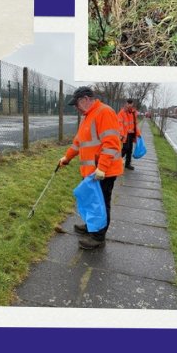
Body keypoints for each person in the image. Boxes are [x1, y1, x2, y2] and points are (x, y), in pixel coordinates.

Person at [58, 86, 123, 250]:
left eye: (77, 104)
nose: (76, 109)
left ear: (85, 100)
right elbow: (78, 143)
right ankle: (90, 226)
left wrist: (101, 168)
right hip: (90, 172)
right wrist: (67, 158)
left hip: (103, 172)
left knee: (100, 204)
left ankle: (98, 237)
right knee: (90, 201)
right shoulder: (88, 117)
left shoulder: (104, 112)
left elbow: (111, 143)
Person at [118, 99, 139, 170]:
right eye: (128, 104)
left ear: (132, 104)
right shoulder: (122, 113)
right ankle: (115, 161)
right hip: (125, 134)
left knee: (129, 149)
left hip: (132, 134)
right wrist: (122, 134)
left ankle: (127, 164)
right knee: (125, 148)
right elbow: (120, 124)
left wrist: (138, 133)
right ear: (126, 104)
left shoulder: (134, 113)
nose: (129, 105)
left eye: (131, 104)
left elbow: (135, 124)